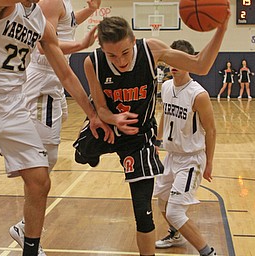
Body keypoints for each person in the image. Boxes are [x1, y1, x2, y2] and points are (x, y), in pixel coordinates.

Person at [0, 1, 112, 256]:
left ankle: (30, 249)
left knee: (39, 181)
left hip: (13, 104)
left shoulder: (40, 23)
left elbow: (65, 73)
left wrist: (92, 115)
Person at [73, 9, 230, 256]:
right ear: (102, 49)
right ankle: (90, 154)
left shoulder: (151, 50)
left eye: (125, 52)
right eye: (112, 55)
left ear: (133, 41)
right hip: (107, 126)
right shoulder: (92, 62)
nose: (121, 61)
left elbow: (201, 65)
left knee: (143, 212)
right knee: (81, 155)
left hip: (139, 137)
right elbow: (100, 108)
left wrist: (221, 29)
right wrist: (114, 118)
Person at [8, 0, 102, 253]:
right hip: (43, 79)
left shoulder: (63, 2)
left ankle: (26, 225)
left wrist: (90, 11)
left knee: (46, 162)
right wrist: (82, 45)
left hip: (53, 79)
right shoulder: (50, 1)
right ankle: (27, 229)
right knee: (41, 169)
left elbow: (65, 24)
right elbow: (43, 45)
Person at [153, 40, 217, 256]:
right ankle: (175, 234)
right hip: (171, 156)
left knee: (175, 212)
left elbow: (212, 130)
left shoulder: (199, 94)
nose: (174, 63)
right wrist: (156, 141)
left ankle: (208, 252)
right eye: (171, 57)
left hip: (191, 160)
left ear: (189, 62)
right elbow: (165, 115)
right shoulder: (166, 86)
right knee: (162, 203)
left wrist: (209, 162)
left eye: (180, 59)